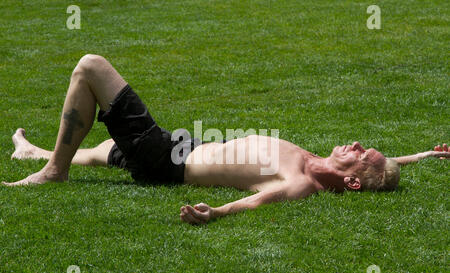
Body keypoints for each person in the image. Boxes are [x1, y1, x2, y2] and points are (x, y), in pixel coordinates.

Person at [3, 55, 449, 224]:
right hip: (184, 146)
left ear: (352, 181)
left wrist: (214, 212)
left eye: (359, 154)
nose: (354, 144)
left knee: (90, 67)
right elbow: (387, 167)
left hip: (168, 161)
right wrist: (425, 154)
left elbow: (256, 202)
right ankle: (36, 151)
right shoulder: (316, 162)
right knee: (103, 153)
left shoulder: (301, 182)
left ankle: (52, 171)